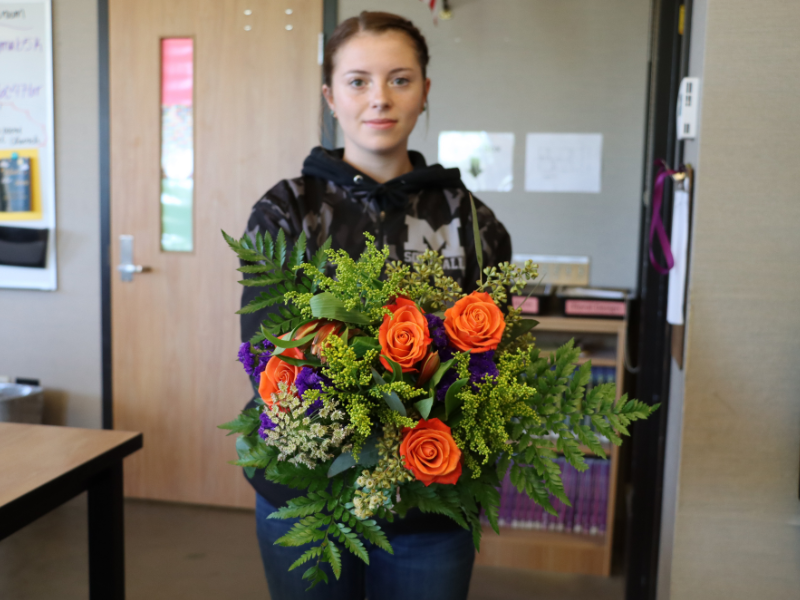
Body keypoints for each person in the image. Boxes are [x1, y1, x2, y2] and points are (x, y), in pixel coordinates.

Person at [239, 11, 511, 600]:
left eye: (400, 79)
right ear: (330, 96)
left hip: (431, 504)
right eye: (358, 80)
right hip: (308, 491)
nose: (379, 99)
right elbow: (269, 352)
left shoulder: (473, 221)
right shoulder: (287, 208)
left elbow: (494, 363)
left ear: (425, 92)